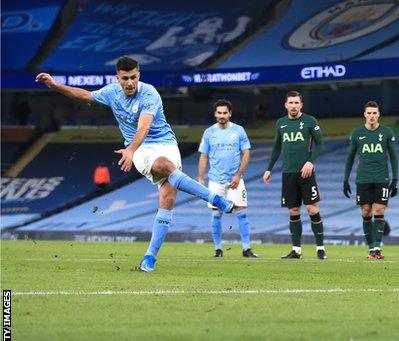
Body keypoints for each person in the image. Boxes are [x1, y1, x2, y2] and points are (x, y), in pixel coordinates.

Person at [35, 55, 234, 272]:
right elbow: (84, 95)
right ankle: (215, 198)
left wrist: (129, 149)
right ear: (117, 78)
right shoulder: (111, 93)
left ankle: (149, 258)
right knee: (166, 166)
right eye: (125, 78)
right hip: (140, 149)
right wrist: (54, 85)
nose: (130, 82)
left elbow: (144, 126)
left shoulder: (149, 93)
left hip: (164, 143)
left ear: (139, 75)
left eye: (133, 77)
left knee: (167, 199)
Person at [262, 91, 326, 259]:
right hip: (288, 173)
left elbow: (319, 145)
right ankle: (296, 250)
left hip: (305, 173)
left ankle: (320, 248)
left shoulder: (310, 121)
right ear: (286, 105)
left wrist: (310, 161)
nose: (293, 106)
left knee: (312, 209)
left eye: (296, 103)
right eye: (291, 102)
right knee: (293, 211)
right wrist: (269, 168)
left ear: (301, 105)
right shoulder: (281, 123)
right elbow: (277, 147)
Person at [198, 99, 256, 258]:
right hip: (215, 180)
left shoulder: (238, 131)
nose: (222, 115)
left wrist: (238, 175)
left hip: (235, 181)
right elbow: (204, 156)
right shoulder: (209, 132)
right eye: (219, 113)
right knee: (216, 213)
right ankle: (218, 249)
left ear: (230, 113)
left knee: (242, 212)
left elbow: (246, 153)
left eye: (225, 113)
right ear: (215, 114)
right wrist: (201, 178)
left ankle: (246, 249)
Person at [343, 101, 398, 259]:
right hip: (363, 178)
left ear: (378, 114)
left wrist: (395, 179)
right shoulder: (357, 133)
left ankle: (377, 249)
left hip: (382, 178)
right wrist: (345, 180)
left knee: (379, 210)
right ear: (365, 114)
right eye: (369, 113)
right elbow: (350, 158)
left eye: (375, 113)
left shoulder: (387, 132)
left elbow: (393, 157)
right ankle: (371, 248)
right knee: (366, 211)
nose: (372, 116)